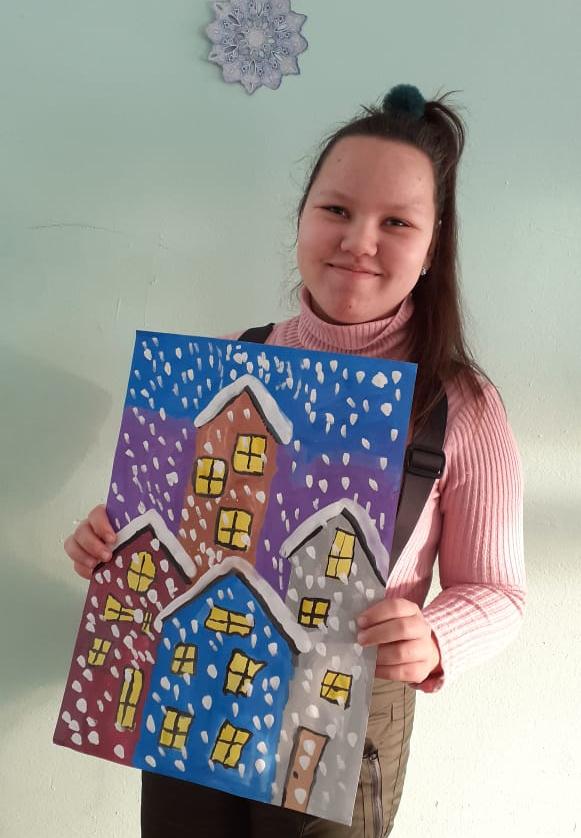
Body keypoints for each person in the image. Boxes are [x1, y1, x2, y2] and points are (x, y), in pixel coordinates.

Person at [64, 84, 525, 837]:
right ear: (302, 218)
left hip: (345, 708)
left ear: (432, 245)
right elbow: (172, 531)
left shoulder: (460, 405)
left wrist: (437, 635)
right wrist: (108, 542)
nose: (359, 241)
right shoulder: (230, 365)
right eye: (336, 209)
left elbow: (498, 590)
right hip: (201, 680)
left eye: (396, 222)